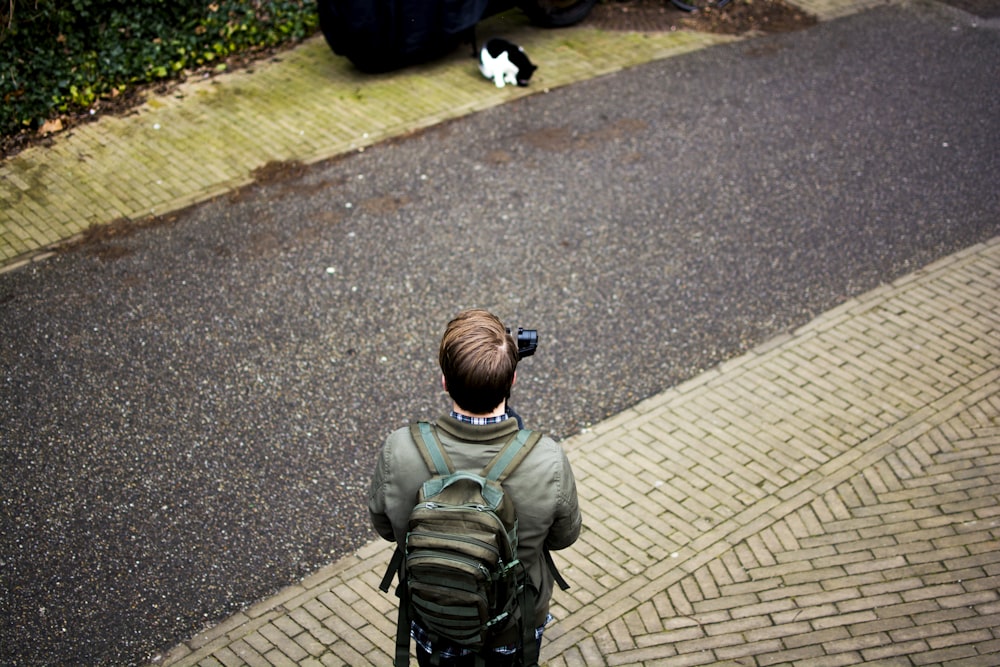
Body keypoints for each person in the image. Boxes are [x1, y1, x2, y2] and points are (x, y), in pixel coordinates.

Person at [369, 308, 583, 666]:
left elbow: (387, 529)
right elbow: (564, 536)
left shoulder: (399, 448)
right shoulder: (547, 459)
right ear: (512, 379)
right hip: (512, 625)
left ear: (444, 381)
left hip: (433, 617)